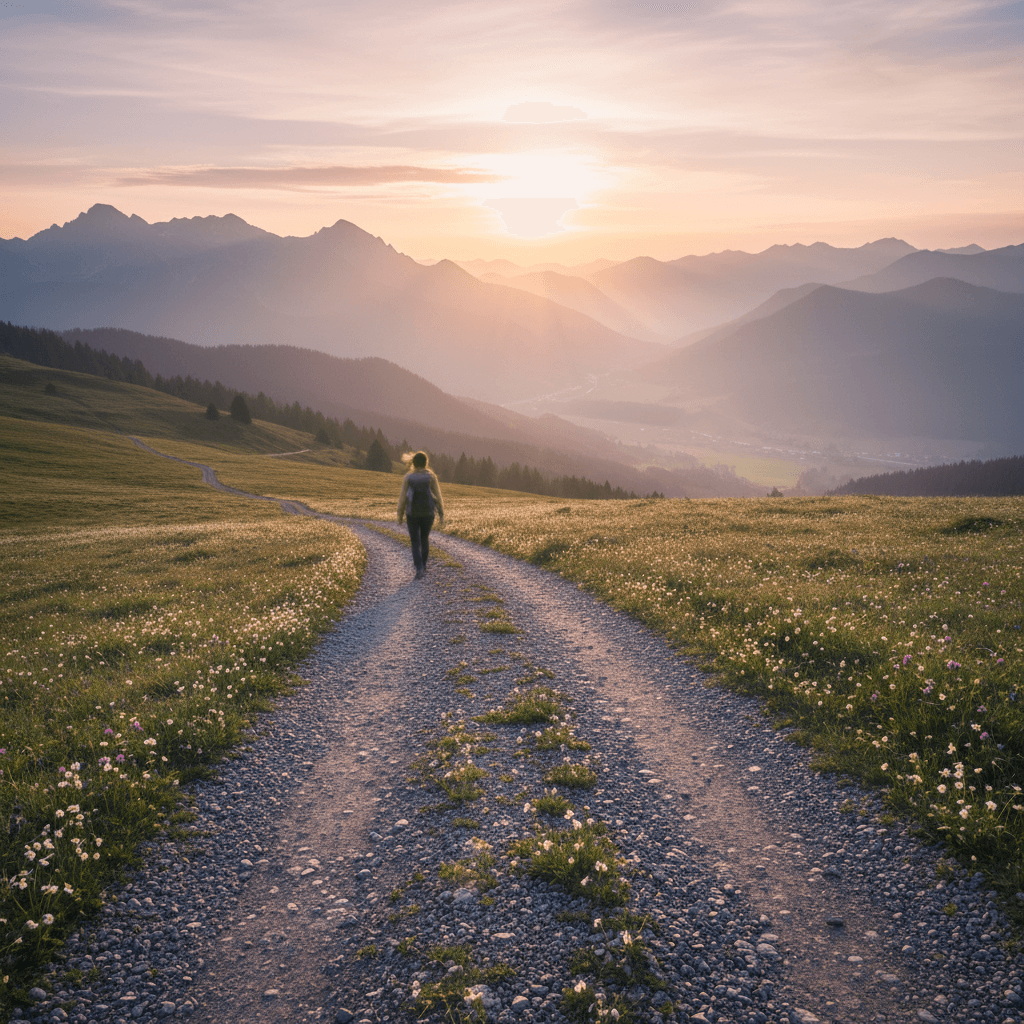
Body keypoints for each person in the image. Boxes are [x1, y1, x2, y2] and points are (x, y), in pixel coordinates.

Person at [397, 451, 444, 578]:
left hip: (412, 513)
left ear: (413, 463)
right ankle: (423, 564)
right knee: (424, 539)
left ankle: (419, 568)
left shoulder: (408, 477)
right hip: (428, 513)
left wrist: (400, 514)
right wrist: (441, 513)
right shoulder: (431, 476)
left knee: (415, 541)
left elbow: (402, 497)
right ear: (426, 463)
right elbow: (438, 496)